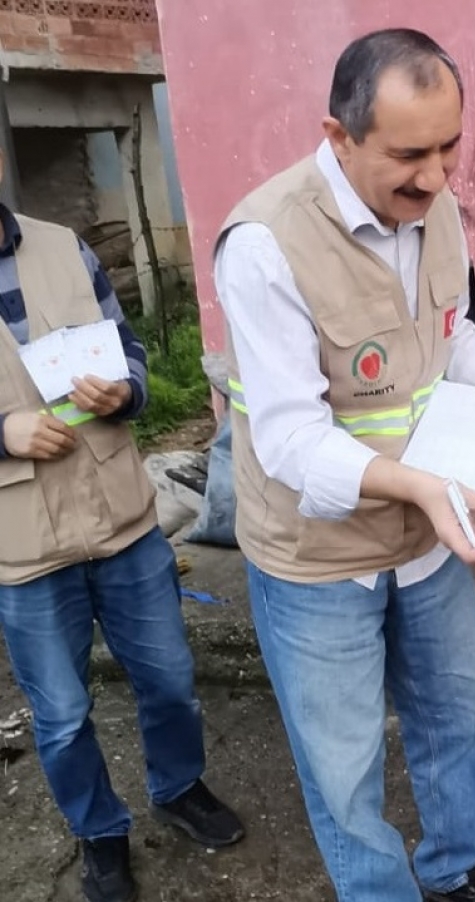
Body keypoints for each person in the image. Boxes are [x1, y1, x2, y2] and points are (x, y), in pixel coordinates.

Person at [214, 27, 475, 902]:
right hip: (318, 557)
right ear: (339, 135)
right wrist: (423, 486)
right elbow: (290, 440)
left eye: (449, 148)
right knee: (342, 770)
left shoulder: (435, 208)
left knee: (468, 716)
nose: (435, 178)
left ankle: (452, 870)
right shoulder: (266, 243)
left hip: (425, 536)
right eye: (409, 155)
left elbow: (451, 341)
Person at [0, 169, 244, 902]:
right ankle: (99, 831)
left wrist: (126, 390)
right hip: (25, 547)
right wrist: (4, 433)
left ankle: (178, 786)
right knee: (62, 715)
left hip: (123, 521)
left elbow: (127, 349)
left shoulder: (62, 246)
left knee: (169, 679)